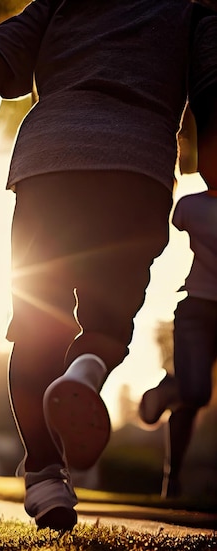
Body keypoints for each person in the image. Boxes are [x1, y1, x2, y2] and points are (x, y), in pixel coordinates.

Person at [0, 0, 216, 531]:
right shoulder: (191, 14)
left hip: (50, 165)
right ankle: (86, 372)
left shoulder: (63, 3)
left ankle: (45, 475)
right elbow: (213, 98)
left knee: (35, 329)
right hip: (136, 172)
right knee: (108, 326)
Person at [139, 12, 217, 500]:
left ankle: (174, 481)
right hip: (198, 309)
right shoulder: (192, 205)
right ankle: (170, 393)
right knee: (194, 395)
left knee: (197, 397)